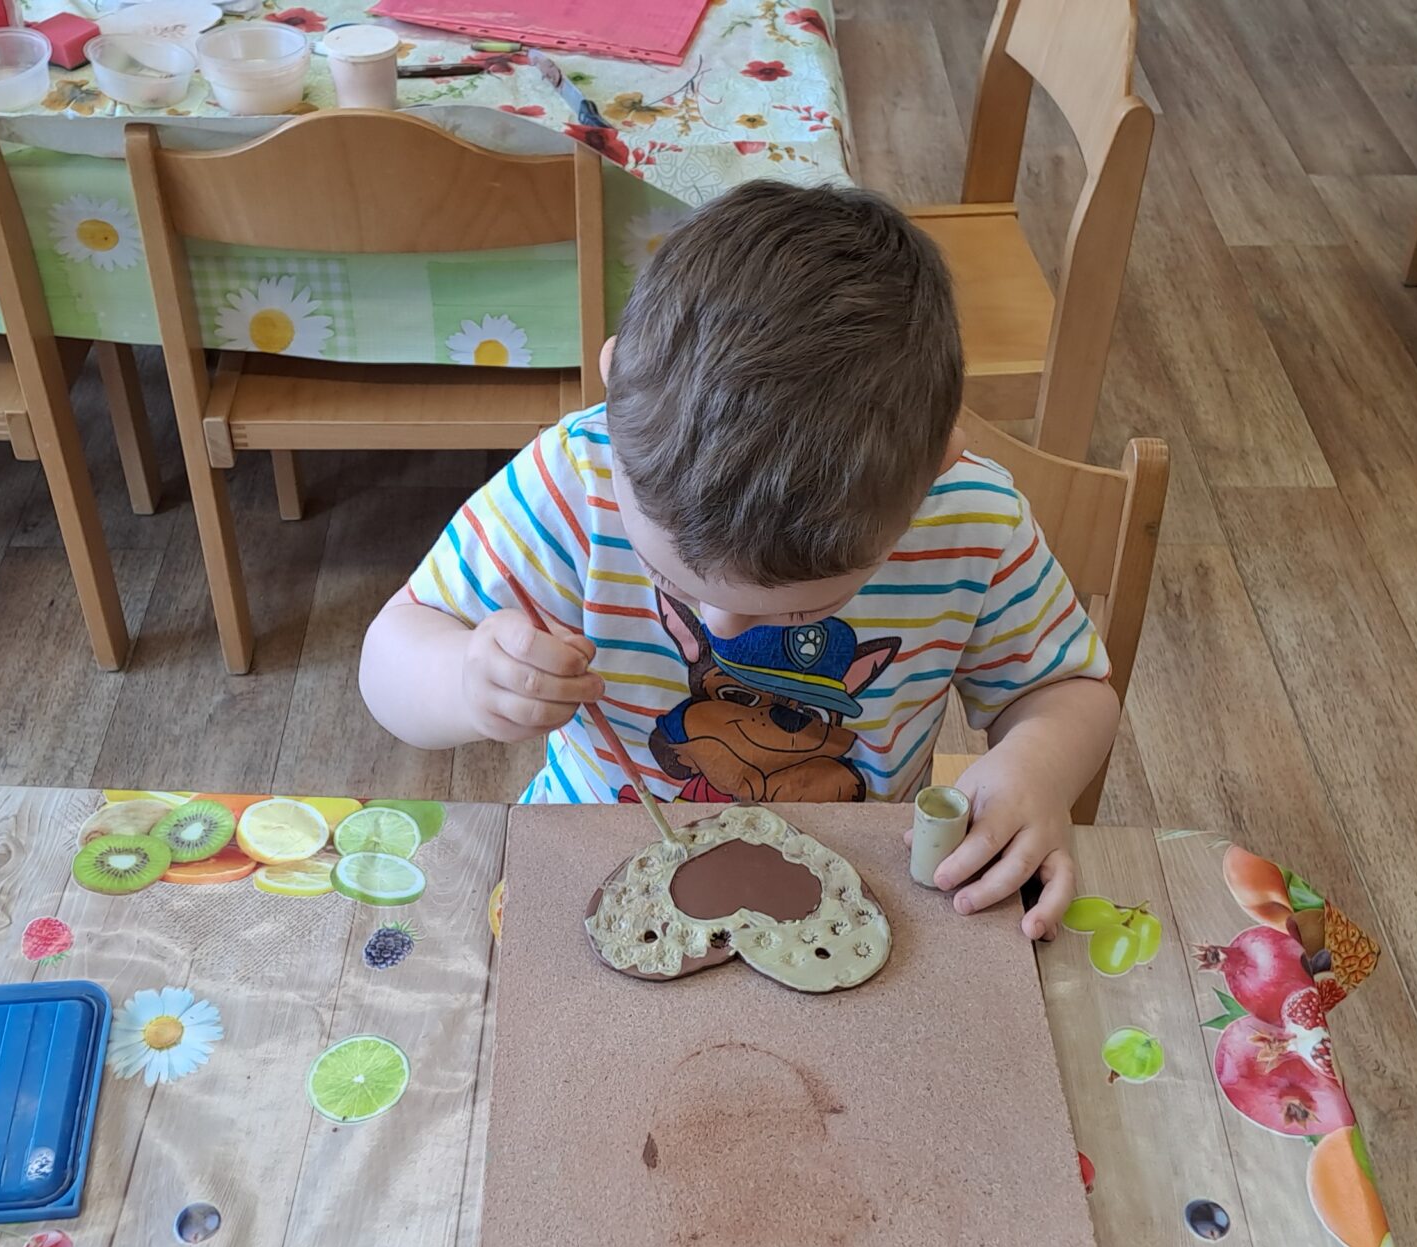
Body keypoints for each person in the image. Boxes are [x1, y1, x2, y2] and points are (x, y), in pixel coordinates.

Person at [359, 180, 1119, 939]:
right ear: (616, 385)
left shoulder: (973, 521)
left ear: (935, 471)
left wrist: (1038, 766)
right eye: (669, 582)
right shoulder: (569, 483)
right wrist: (465, 680)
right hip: (590, 863)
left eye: (803, 609)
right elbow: (390, 656)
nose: (719, 628)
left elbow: (1068, 690)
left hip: (857, 890)